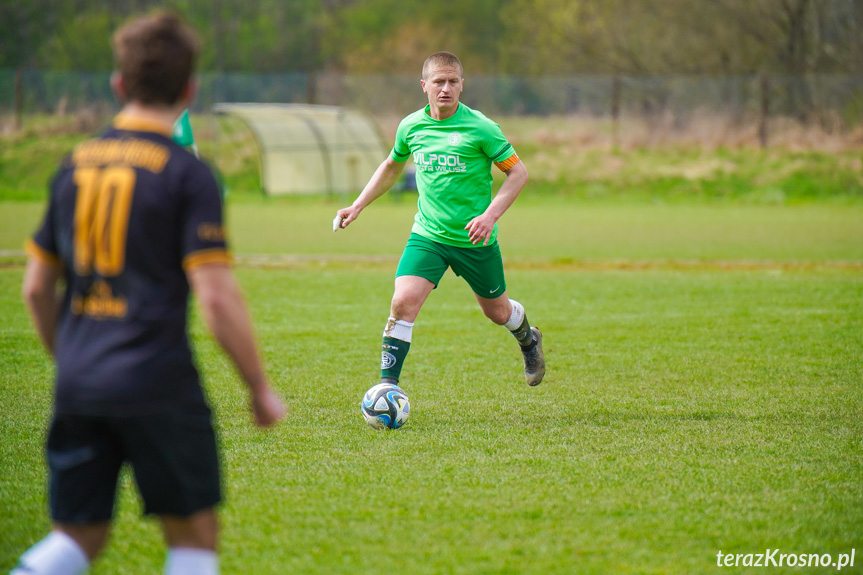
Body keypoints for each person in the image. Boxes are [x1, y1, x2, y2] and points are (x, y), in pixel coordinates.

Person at [14, 12, 285, 575]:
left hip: (81, 381)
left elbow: (37, 286)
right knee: (192, 537)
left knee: (78, 535)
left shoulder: (73, 164)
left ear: (119, 84)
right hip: (157, 380)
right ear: (190, 90)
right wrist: (258, 387)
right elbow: (215, 298)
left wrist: (72, 359)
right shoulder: (187, 174)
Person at [335, 51, 545, 391]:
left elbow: (518, 173)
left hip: (474, 240)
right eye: (438, 82)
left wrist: (489, 216)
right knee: (402, 302)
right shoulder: (411, 126)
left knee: (497, 312)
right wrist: (357, 205)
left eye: (452, 82)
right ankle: (388, 388)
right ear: (424, 86)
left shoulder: (481, 127)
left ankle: (528, 339)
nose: (445, 88)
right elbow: (392, 165)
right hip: (428, 235)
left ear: (462, 86)